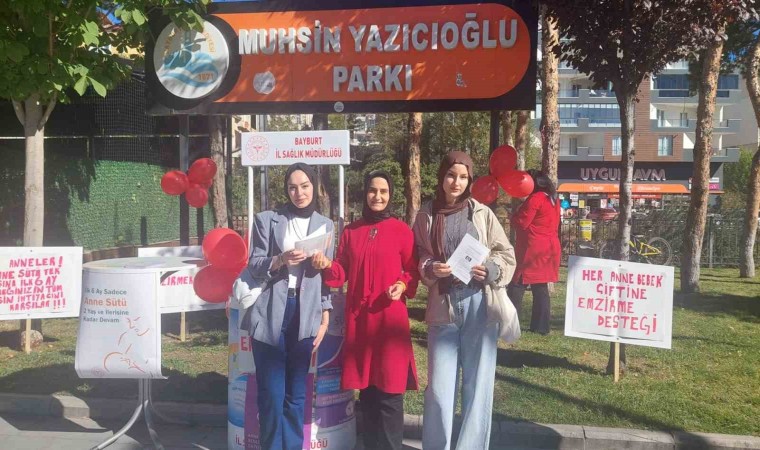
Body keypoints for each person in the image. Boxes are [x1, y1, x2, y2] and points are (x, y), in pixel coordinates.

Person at [412, 151, 515, 450]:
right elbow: (419, 253)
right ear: (442, 176)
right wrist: (431, 267)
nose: (456, 182)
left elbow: (506, 253)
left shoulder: (481, 213)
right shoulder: (426, 214)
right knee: (439, 389)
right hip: (442, 305)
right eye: (450, 175)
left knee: (478, 386)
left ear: (470, 180)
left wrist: (491, 269)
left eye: (462, 177)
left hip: (478, 304)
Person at [312, 170, 419, 450]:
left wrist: (402, 284)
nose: (377, 196)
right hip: (360, 322)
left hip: (389, 322)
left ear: (391, 195)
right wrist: (327, 265)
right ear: (365, 193)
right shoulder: (351, 231)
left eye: (383, 191)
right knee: (368, 392)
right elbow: (340, 273)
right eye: (373, 190)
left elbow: (412, 270)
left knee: (390, 393)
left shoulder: (401, 230)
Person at [245, 162, 333, 450]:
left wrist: (325, 315)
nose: (299, 193)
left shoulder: (326, 225)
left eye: (305, 186)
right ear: (286, 190)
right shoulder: (267, 220)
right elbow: (254, 265)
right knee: (271, 396)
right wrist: (280, 259)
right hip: (271, 311)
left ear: (314, 187)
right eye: (292, 187)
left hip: (305, 314)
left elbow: (327, 276)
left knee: (296, 396)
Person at [507, 169, 561, 335]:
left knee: (517, 284)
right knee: (540, 287)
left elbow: (522, 222)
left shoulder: (535, 199)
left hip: (532, 248)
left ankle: (510, 322)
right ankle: (541, 326)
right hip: (549, 247)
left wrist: (513, 215)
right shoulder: (553, 199)